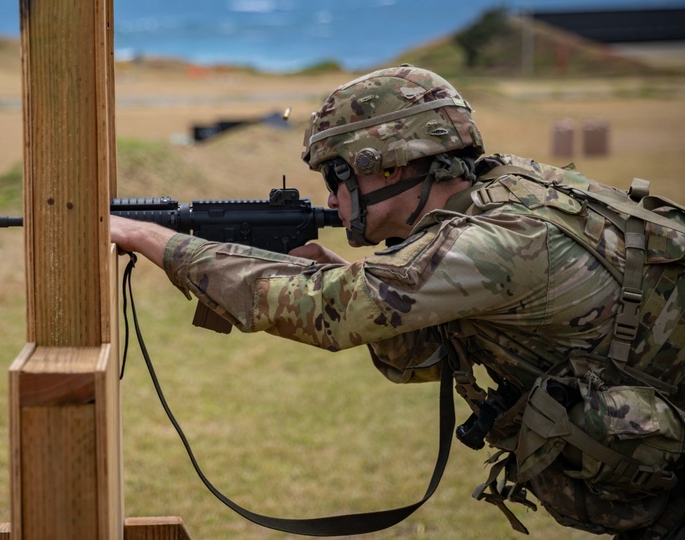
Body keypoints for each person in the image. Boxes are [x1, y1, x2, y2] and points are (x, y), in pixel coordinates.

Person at [111, 65, 685, 539]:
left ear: (388, 164)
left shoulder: (495, 241)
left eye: (338, 176)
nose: (333, 197)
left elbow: (324, 312)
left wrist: (152, 238)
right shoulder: (506, 195)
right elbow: (418, 351)